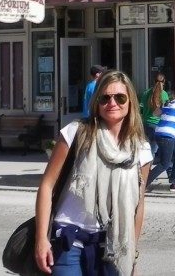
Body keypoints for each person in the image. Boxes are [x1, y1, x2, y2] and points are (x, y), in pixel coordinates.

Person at [34, 70, 152, 275]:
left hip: (112, 246)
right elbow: (47, 185)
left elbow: (138, 204)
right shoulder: (76, 132)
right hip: (67, 241)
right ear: (96, 102)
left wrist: (132, 253)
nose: (112, 103)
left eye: (120, 97)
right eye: (105, 98)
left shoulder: (140, 149)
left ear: (130, 102)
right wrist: (41, 239)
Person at [139, 73, 170, 159]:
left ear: (153, 81)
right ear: (164, 82)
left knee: (145, 149)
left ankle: (144, 168)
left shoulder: (146, 93)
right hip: (158, 124)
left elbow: (140, 109)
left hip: (146, 123)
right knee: (153, 150)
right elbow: (165, 110)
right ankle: (149, 171)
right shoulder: (164, 94)